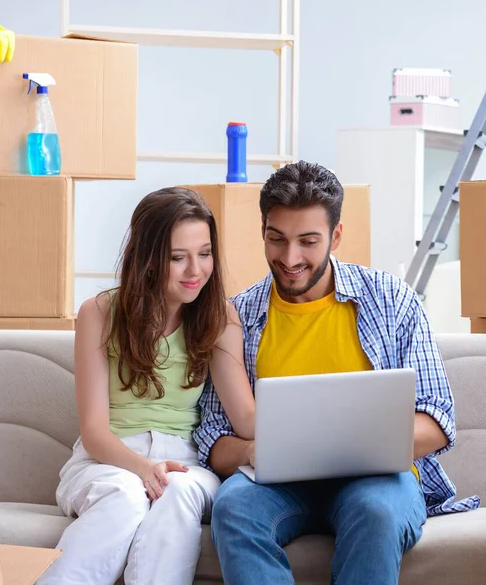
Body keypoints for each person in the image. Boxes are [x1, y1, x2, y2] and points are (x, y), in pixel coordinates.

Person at [193, 161, 480, 585]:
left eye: (308, 241)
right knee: (234, 509)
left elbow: (436, 420)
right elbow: (213, 438)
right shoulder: (238, 314)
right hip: (276, 483)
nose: (290, 259)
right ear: (263, 232)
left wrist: (348, 446)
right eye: (277, 240)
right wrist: (254, 452)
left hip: (377, 481)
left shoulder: (390, 300)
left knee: (376, 513)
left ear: (336, 235)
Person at [38, 187, 255, 585]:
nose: (195, 271)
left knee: (178, 492)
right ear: (148, 260)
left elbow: (245, 418)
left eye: (204, 254)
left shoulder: (220, 318)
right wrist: (142, 469)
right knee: (125, 495)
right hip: (107, 461)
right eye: (178, 258)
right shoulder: (99, 313)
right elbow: (94, 431)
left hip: (185, 461)